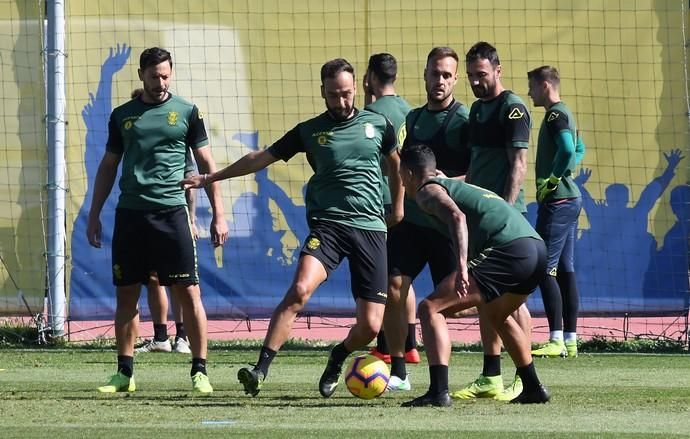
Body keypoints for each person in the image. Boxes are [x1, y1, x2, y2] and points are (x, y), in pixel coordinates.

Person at [181, 58, 404, 398]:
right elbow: (261, 157)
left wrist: (398, 208)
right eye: (333, 95)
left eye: (346, 93)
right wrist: (211, 177)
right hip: (328, 225)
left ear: (357, 87)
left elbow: (397, 167)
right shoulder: (309, 131)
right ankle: (260, 370)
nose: (341, 102)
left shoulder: (379, 124)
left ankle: (339, 355)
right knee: (300, 289)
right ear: (322, 93)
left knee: (371, 327)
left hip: (371, 229)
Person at [87, 47, 228, 394]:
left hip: (172, 214)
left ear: (171, 73)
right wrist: (94, 214)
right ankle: (124, 373)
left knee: (189, 292)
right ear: (141, 76)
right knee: (126, 295)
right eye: (154, 76)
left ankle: (199, 370)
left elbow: (207, 166)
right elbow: (108, 166)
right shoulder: (123, 116)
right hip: (131, 215)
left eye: (165, 75)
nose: (160, 82)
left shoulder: (186, 112)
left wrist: (219, 214)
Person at [398, 144, 550, 407]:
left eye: (400, 175)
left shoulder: (426, 191)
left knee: (429, 308)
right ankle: (533, 387)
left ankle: (438, 391)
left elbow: (457, 218)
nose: (400, 181)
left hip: (510, 249)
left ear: (409, 174)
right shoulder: (446, 184)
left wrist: (461, 267)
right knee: (495, 314)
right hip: (535, 248)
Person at [382, 47, 470, 392]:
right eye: (435, 73)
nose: (440, 81)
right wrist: (399, 208)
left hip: (445, 225)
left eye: (447, 75)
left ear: (456, 79)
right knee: (393, 288)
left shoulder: (463, 120)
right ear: (424, 75)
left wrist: (444, 183)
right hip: (413, 225)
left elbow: (475, 172)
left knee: (459, 307)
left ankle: (501, 332)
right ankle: (400, 370)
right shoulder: (413, 119)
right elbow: (402, 170)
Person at [453, 41, 533, 401]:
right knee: (491, 297)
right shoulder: (476, 111)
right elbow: (476, 168)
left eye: (481, 75)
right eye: (470, 76)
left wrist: (507, 209)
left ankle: (521, 377)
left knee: (512, 302)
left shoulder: (512, 109)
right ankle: (492, 376)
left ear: (498, 71)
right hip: (481, 220)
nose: (475, 82)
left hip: (505, 221)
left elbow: (518, 164)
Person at [361, 53, 420, 369]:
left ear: (369, 76)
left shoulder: (369, 115)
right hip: (411, 201)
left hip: (384, 204)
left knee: (386, 279)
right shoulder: (410, 110)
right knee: (403, 278)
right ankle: (409, 344)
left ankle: (387, 345)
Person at [129, 87, 195, 355]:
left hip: (173, 216)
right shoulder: (135, 143)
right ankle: (160, 337)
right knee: (153, 278)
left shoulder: (176, 137)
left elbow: (190, 182)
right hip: (143, 217)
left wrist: (191, 219)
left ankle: (183, 336)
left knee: (179, 280)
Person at [526, 66, 586, 358]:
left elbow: (566, 149)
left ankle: (555, 339)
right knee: (565, 269)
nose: (529, 93)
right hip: (570, 200)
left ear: (545, 86)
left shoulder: (554, 115)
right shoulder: (566, 113)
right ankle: (571, 340)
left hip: (559, 201)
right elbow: (580, 148)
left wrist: (551, 180)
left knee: (543, 267)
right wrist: (565, 170)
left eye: (532, 87)